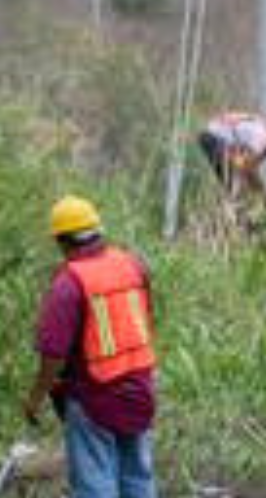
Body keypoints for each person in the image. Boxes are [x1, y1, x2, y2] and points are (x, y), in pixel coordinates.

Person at [24, 196, 158, 498]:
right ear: (98, 231)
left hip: (93, 396)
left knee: (95, 484)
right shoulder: (133, 266)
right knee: (138, 478)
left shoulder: (69, 283)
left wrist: (35, 398)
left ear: (61, 241)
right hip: (140, 388)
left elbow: (53, 354)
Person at [199, 112, 266, 200]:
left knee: (239, 187)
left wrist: (261, 192)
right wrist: (265, 195)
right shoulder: (261, 136)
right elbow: (248, 170)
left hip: (218, 141)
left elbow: (250, 168)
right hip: (213, 140)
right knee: (236, 189)